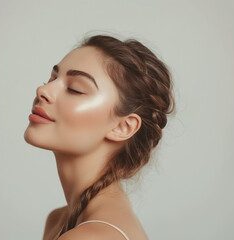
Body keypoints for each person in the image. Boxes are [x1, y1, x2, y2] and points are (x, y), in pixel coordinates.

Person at [24, 34, 175, 240]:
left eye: (75, 89)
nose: (43, 90)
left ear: (123, 126)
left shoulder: (91, 236)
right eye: (53, 78)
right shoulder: (60, 221)